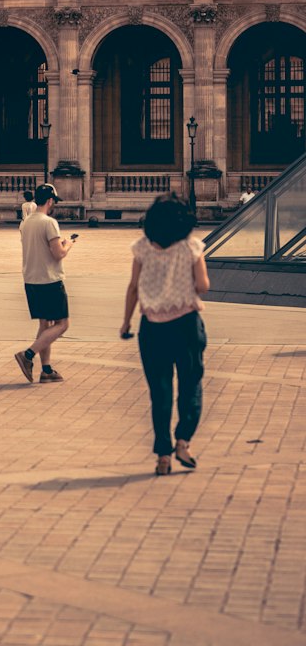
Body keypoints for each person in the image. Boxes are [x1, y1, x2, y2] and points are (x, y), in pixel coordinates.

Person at [120, 194, 209, 476]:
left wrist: (126, 323)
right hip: (186, 325)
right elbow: (203, 285)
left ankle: (163, 456)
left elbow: (133, 287)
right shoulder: (191, 247)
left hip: (152, 327)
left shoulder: (142, 248)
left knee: (160, 393)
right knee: (190, 384)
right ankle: (183, 441)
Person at [15, 184, 73, 382]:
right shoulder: (49, 223)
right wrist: (68, 245)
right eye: (54, 201)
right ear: (49, 201)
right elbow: (58, 254)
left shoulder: (26, 223)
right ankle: (28, 355)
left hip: (31, 280)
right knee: (62, 324)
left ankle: (46, 370)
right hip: (49, 279)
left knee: (45, 324)